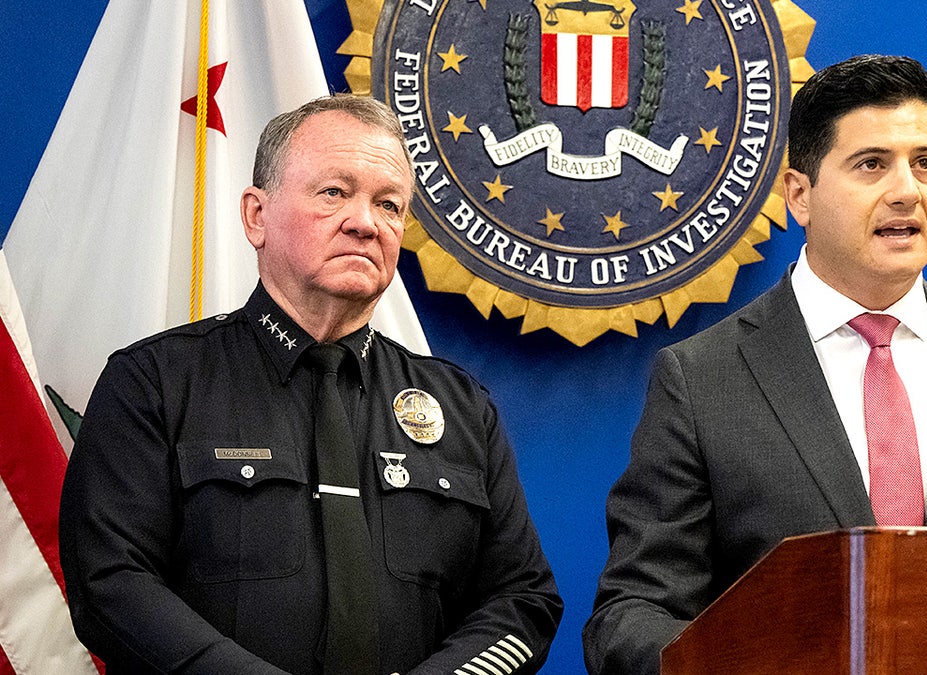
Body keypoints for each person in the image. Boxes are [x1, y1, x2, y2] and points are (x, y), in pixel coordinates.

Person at [582, 54, 927, 674]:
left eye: (925, 164)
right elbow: (633, 614)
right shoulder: (702, 380)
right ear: (800, 195)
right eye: (872, 164)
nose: (907, 190)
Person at [59, 95, 562, 674]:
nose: (365, 222)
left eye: (389, 204)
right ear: (256, 216)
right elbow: (109, 584)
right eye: (334, 193)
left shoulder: (462, 408)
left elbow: (522, 600)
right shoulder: (155, 384)